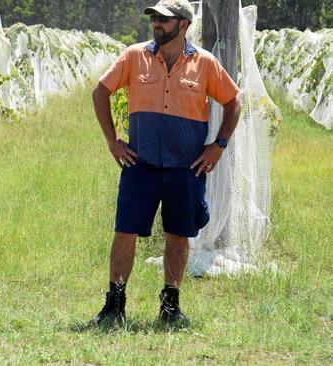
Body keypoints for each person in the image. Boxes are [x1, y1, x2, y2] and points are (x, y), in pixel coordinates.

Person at [89, 0, 242, 327]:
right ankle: (114, 305)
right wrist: (112, 140)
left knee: (177, 235)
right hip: (139, 165)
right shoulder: (134, 56)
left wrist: (218, 146)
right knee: (125, 231)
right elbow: (100, 92)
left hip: (185, 169)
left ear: (183, 25)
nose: (156, 23)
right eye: (154, 18)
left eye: (164, 19)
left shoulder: (206, 63)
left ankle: (170, 306)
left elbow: (233, 102)